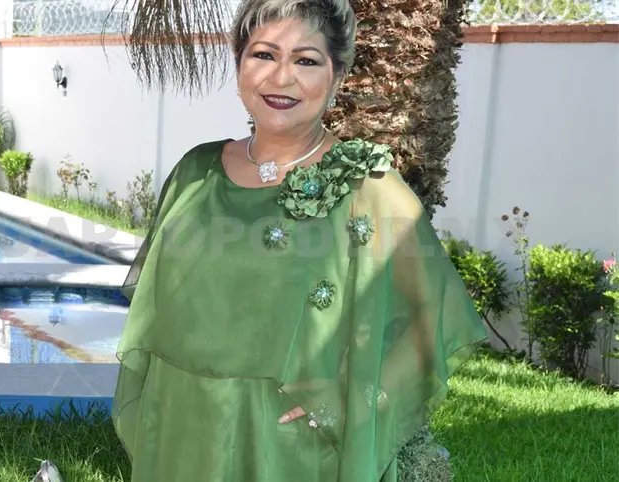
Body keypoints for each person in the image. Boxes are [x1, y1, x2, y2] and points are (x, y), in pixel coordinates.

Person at [111, 0, 488, 480]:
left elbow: (439, 314)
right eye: (263, 55)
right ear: (239, 64)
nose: (281, 77)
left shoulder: (365, 185)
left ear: (338, 74)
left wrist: (349, 401)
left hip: (285, 448)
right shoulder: (195, 171)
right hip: (181, 427)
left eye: (306, 60)